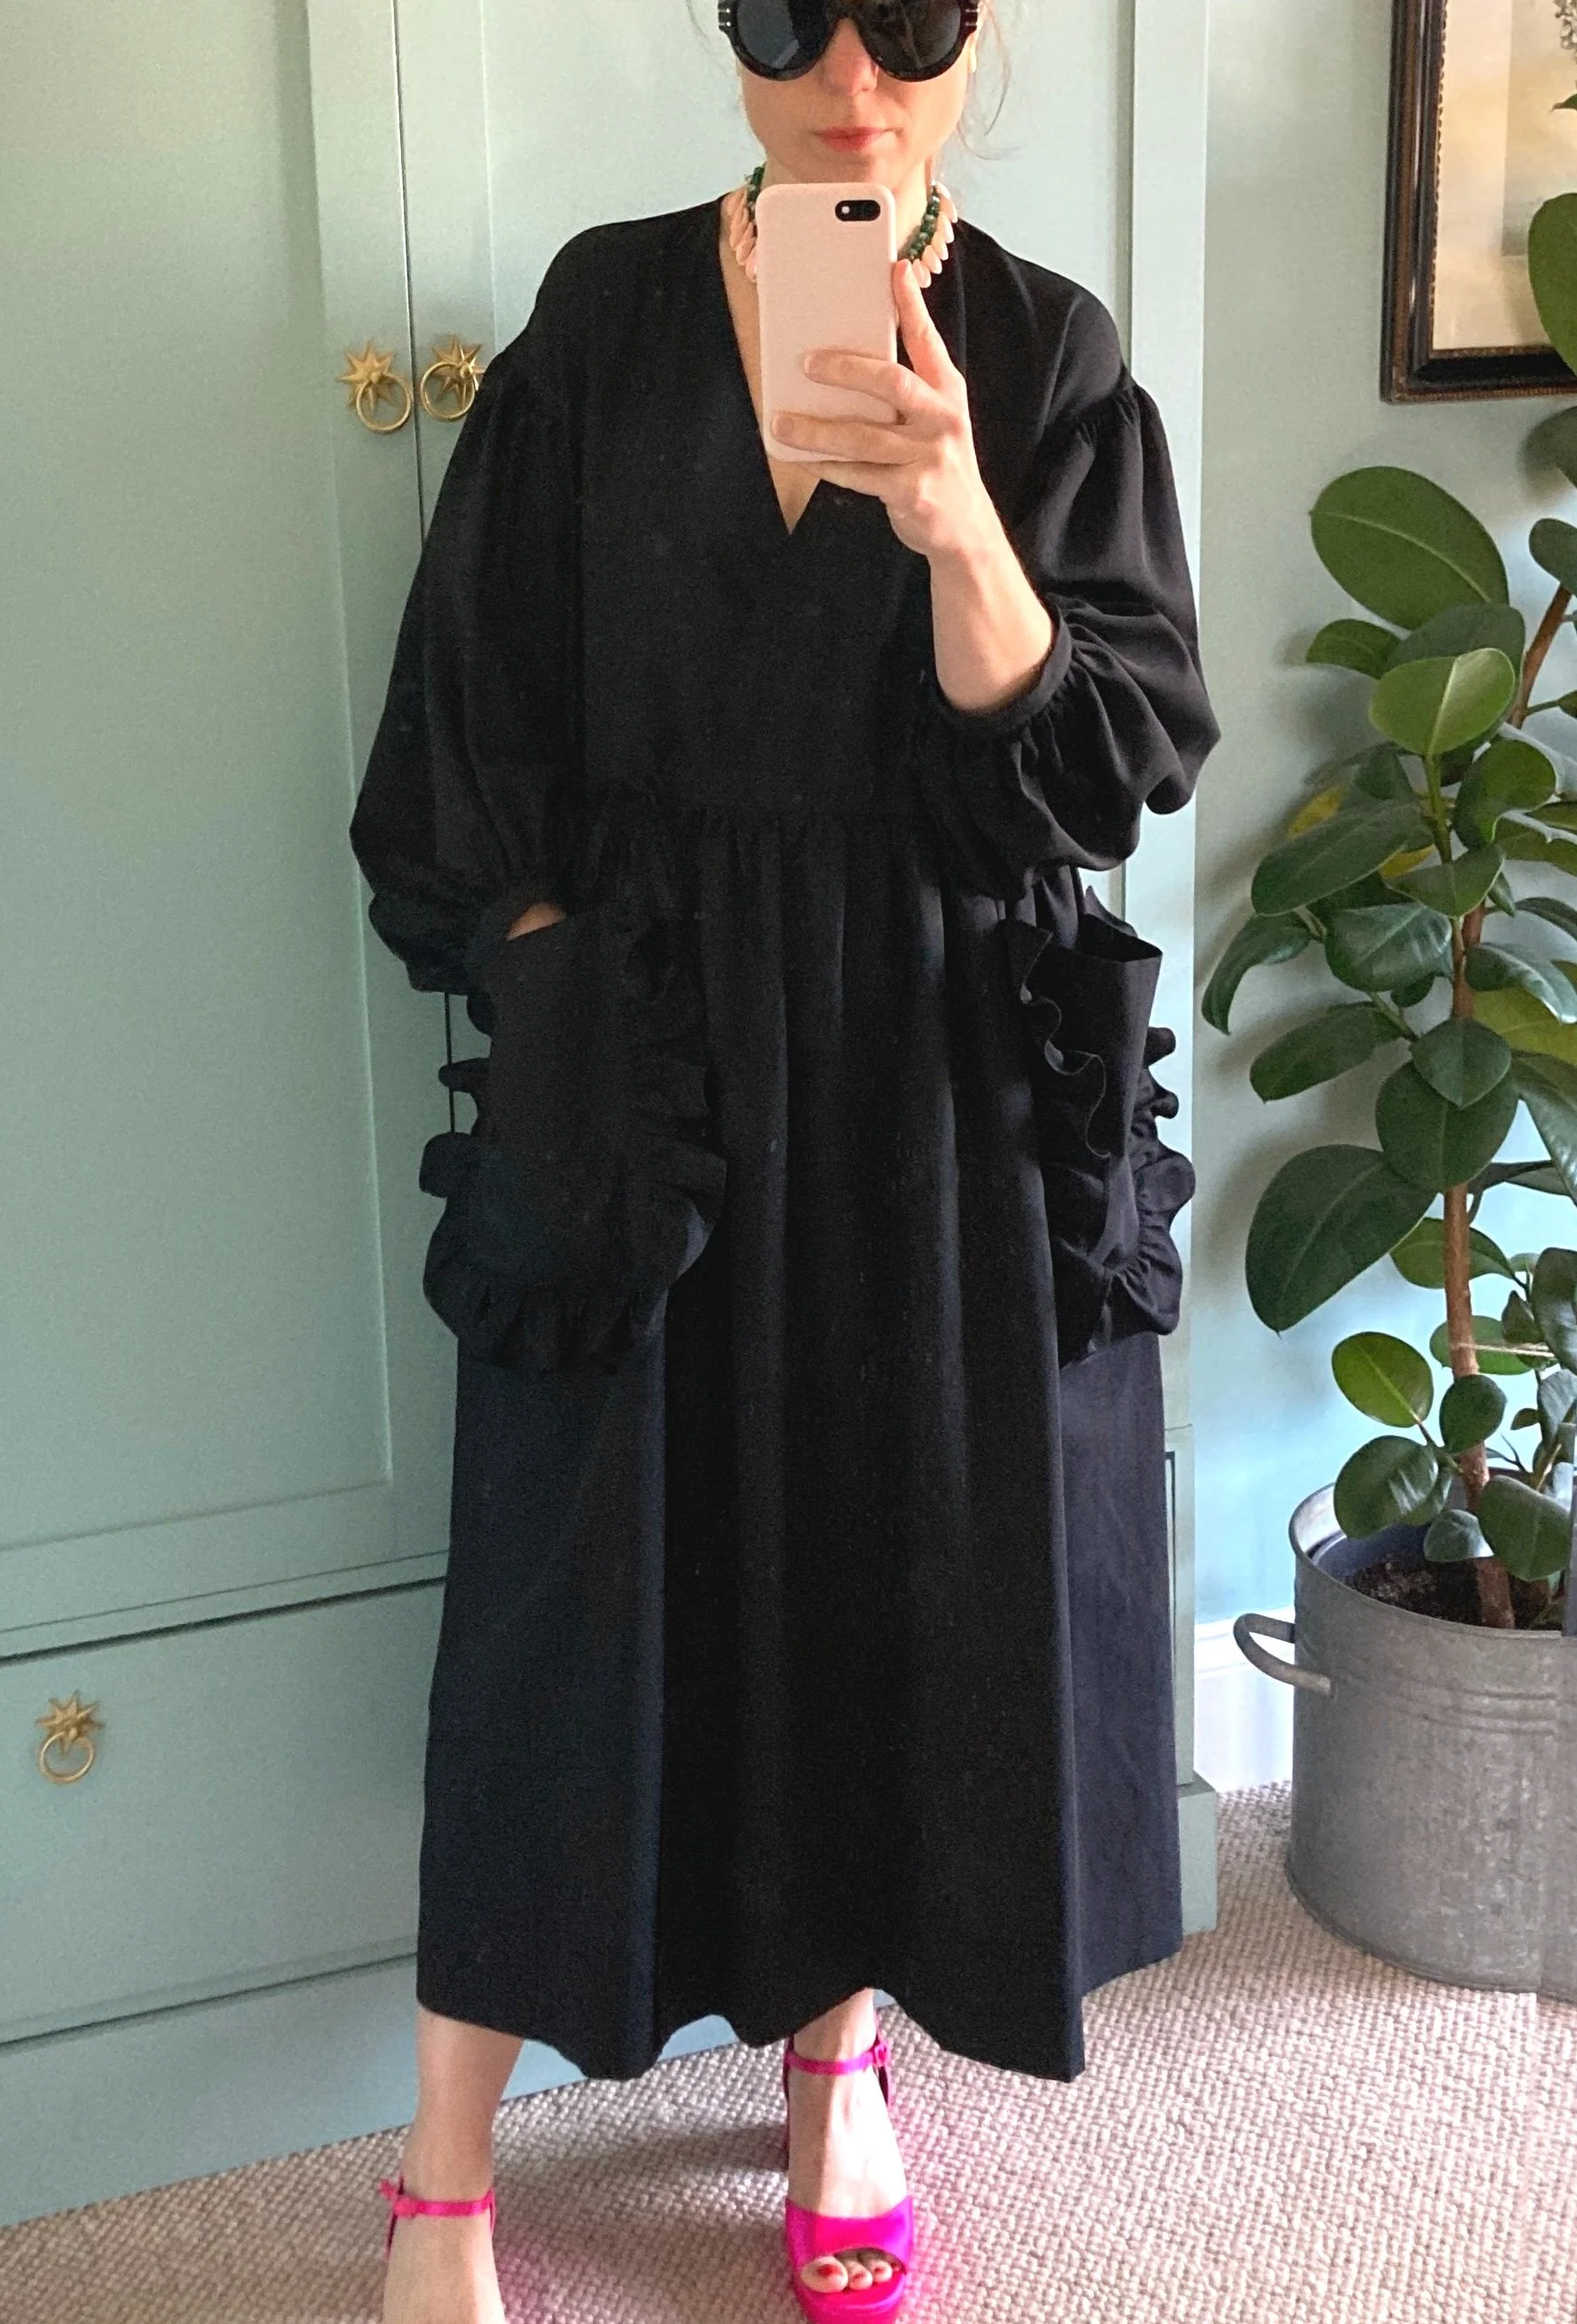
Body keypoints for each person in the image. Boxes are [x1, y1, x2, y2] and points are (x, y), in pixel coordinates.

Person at [346, 3, 1222, 2318]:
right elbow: (465, 713)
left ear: (979, 31)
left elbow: (1105, 768)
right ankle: (446, 2160)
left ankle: (842, 2069)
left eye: (909, 14)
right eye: (785, 8)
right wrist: (545, 977)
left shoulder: (1045, 351)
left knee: (877, 1567)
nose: (852, 68)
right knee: (562, 1596)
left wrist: (956, 518)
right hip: (647, 1045)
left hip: (932, 1060)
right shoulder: (603, 314)